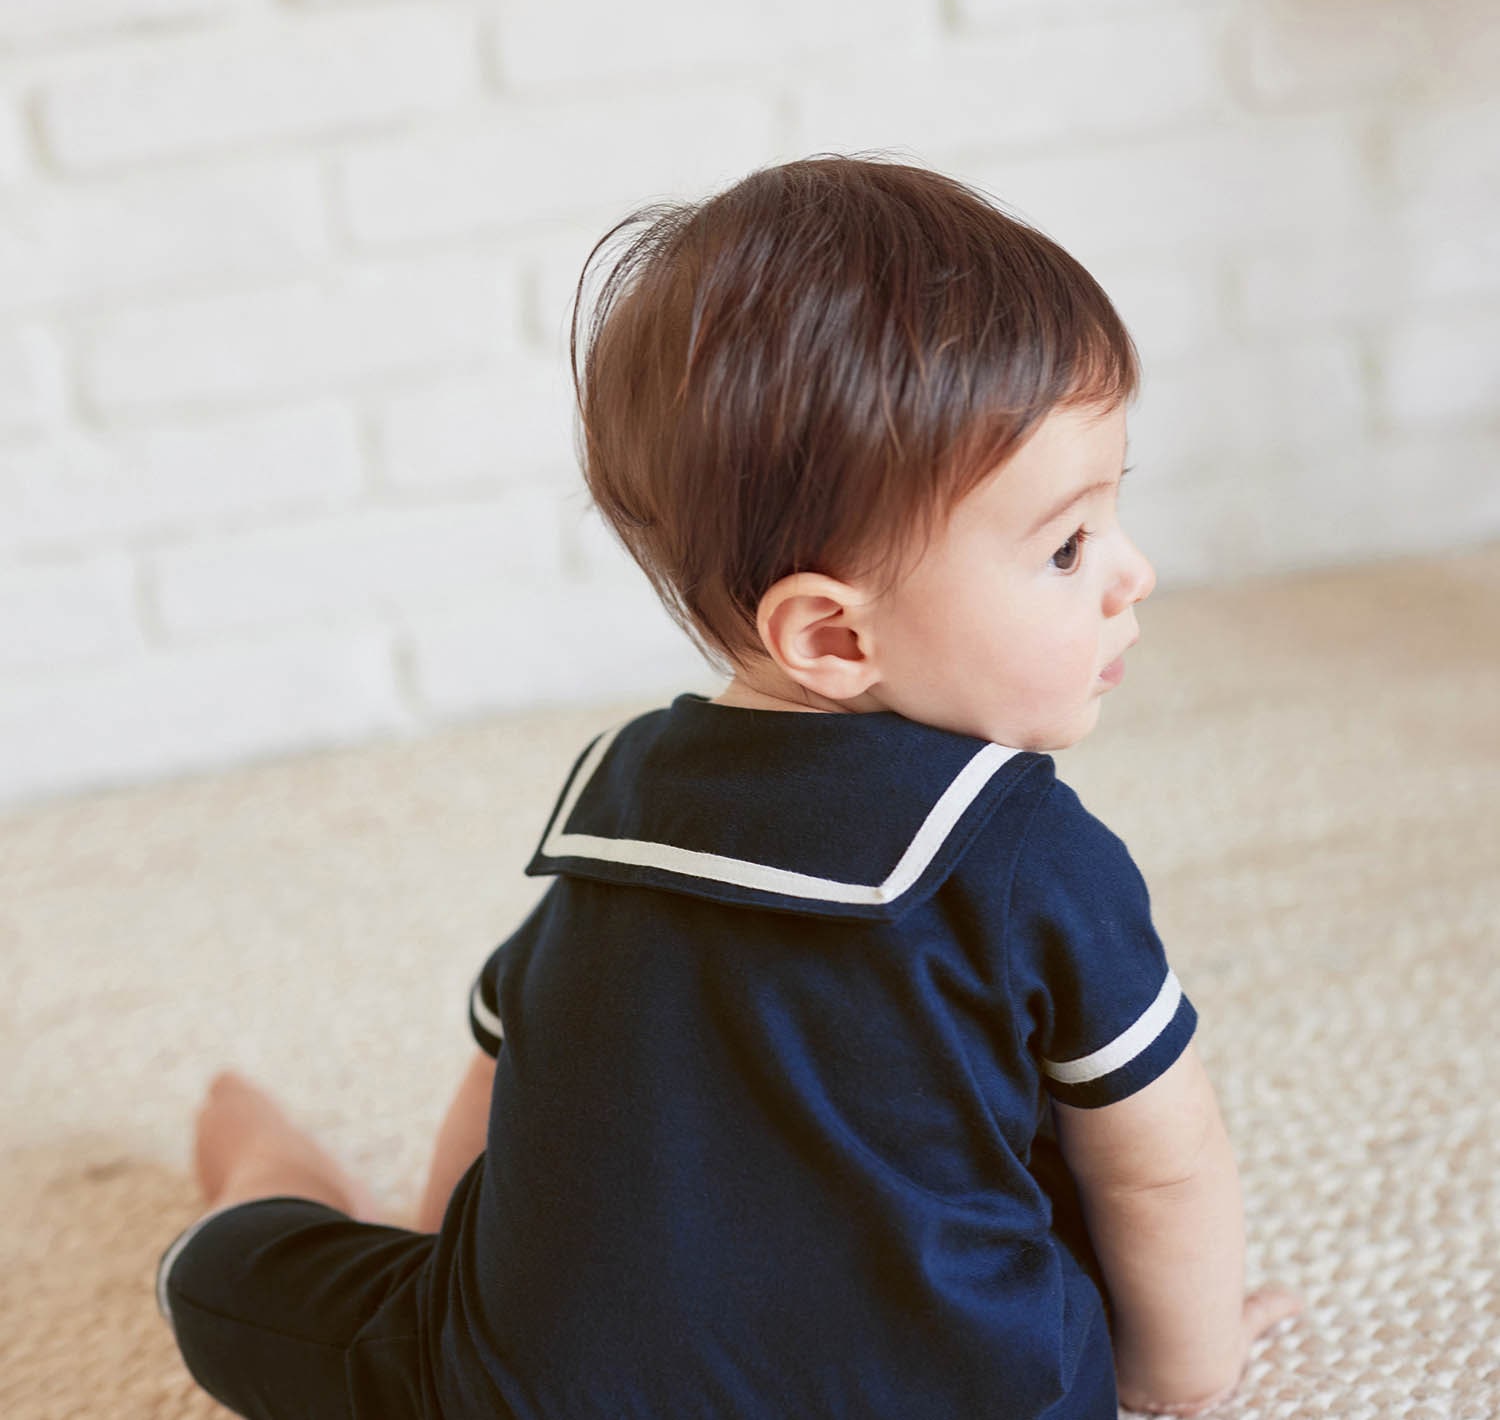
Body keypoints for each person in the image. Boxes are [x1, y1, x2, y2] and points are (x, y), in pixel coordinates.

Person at [156, 153, 1301, 1419]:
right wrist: (1184, 1373)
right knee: (1053, 1164)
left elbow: (505, 1074)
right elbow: (1161, 1170)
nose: (1129, 573)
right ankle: (263, 1140)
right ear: (835, 636)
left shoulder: (616, 808)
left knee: (232, 1273)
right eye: (1068, 545)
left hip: (537, 1396)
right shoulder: (1032, 851)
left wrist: (449, 1274)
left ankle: (256, 1145)